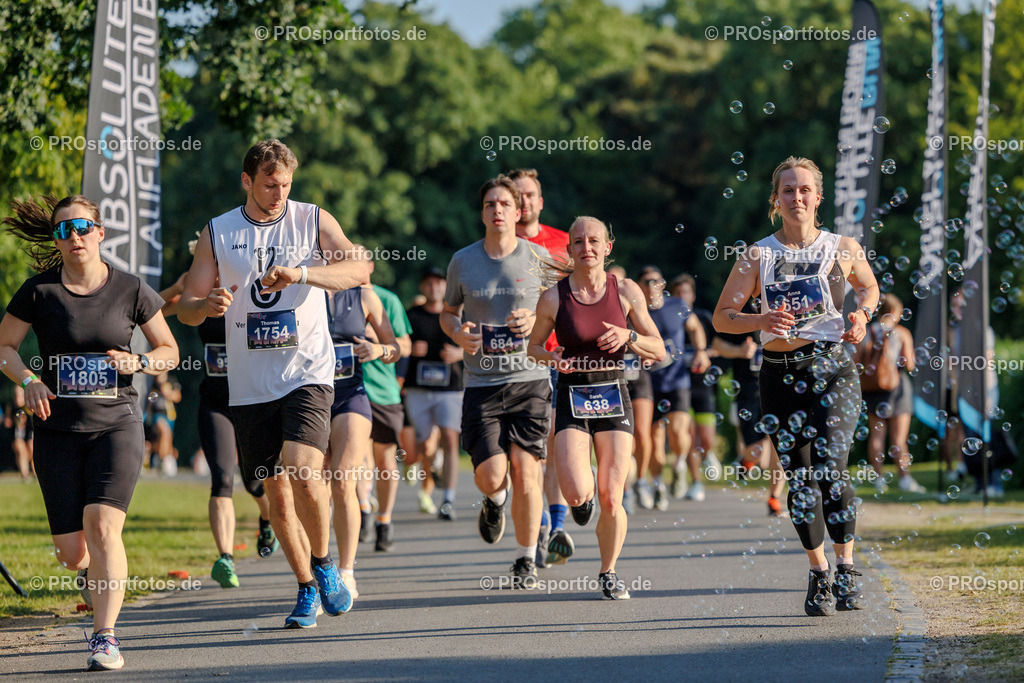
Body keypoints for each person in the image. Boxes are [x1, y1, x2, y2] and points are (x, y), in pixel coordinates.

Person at [178, 139, 369, 628]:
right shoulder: (218, 232)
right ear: (247, 181)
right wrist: (207, 307)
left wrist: (304, 272)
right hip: (248, 384)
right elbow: (186, 304)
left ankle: (326, 565)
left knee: (305, 470)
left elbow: (359, 267)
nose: (279, 192)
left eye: (285, 183)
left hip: (307, 370)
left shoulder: (311, 219)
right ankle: (305, 585)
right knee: (274, 493)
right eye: (269, 184)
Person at [0, 194, 179, 670]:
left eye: (82, 227)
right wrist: (29, 380)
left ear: (100, 232)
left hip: (116, 426)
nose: (74, 236)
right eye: (63, 230)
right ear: (56, 240)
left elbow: (169, 350)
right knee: (72, 553)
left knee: (103, 527)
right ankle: (91, 574)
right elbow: (4, 347)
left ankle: (105, 637)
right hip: (57, 431)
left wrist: (140, 361)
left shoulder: (131, 289)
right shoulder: (39, 292)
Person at [713, 156, 879, 616]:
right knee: (802, 481)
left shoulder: (843, 247)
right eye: (788, 190)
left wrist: (862, 315)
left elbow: (870, 288)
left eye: (805, 189)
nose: (797, 197)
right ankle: (819, 571)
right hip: (779, 375)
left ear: (818, 197)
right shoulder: (758, 255)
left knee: (831, 467)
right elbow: (722, 317)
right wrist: (760, 318)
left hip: (832, 369)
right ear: (776, 199)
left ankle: (847, 567)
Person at [528, 216, 665, 599]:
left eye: (594, 241)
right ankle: (581, 499)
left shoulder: (626, 291)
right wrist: (553, 359)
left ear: (608, 247)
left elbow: (660, 349)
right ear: (570, 250)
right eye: (578, 242)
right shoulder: (554, 297)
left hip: (614, 393)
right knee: (575, 493)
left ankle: (608, 571)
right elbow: (533, 347)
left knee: (612, 495)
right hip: (573, 394)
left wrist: (630, 335)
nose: (586, 248)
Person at [441, 174, 551, 585]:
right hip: (481, 382)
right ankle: (494, 499)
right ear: (482, 213)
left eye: (505, 203)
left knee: (526, 469)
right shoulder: (463, 260)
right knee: (491, 474)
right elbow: (448, 311)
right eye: (490, 204)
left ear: (518, 211)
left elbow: (559, 310)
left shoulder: (539, 258)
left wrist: (537, 318)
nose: (498, 210)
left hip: (529, 379)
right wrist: (457, 332)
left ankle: (526, 558)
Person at [160, 262, 280, 590]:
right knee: (222, 479)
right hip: (214, 401)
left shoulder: (253, 288)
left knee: (256, 483)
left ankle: (267, 518)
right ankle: (225, 558)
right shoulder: (199, 296)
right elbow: (146, 312)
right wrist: (178, 287)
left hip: (253, 402)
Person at [324, 248, 400, 599]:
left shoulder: (365, 296)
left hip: (351, 394)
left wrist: (379, 350)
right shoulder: (302, 291)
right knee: (314, 486)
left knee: (343, 478)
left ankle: (347, 570)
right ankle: (320, 568)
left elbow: (399, 344)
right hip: (309, 396)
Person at [509, 168, 573, 566]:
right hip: (506, 363)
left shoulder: (563, 244)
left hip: (553, 357)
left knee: (550, 445)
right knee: (523, 458)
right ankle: (521, 518)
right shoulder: (495, 245)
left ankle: (555, 524)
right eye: (516, 196)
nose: (524, 202)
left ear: (540, 200)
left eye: (530, 195)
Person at [637, 267, 711, 506]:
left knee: (679, 431)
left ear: (662, 284)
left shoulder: (677, 305)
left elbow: (696, 328)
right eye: (646, 281)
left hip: (677, 380)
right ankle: (657, 484)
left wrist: (700, 351)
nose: (651, 285)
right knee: (654, 438)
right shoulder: (634, 311)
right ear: (638, 285)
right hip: (649, 382)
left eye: (655, 281)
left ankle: (679, 464)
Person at [712, 299, 788, 516]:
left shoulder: (788, 303)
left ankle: (774, 499)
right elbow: (718, 344)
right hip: (749, 391)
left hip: (781, 386)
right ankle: (746, 461)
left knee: (780, 446)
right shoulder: (739, 310)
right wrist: (739, 351)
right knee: (756, 451)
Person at [358, 256, 412, 552]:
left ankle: (384, 519)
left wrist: (378, 344)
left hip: (383, 391)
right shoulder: (335, 298)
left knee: (384, 461)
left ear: (370, 266)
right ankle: (364, 507)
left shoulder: (387, 300)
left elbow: (405, 345)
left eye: (358, 260)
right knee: (355, 459)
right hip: (348, 389)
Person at [403, 267, 464, 520]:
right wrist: (409, 348)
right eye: (428, 283)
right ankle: (431, 461)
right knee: (424, 445)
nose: (434, 288)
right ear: (422, 287)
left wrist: (460, 353)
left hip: (450, 388)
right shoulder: (412, 315)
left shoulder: (458, 313)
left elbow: (479, 343)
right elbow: (398, 342)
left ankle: (448, 499)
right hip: (418, 389)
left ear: (446, 287)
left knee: (450, 439)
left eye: (439, 283)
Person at [856, 293, 924, 493]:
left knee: (876, 436)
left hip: (872, 388)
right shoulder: (901, 333)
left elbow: (857, 362)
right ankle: (905, 479)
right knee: (899, 439)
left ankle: (878, 479)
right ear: (894, 312)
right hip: (897, 389)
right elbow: (909, 364)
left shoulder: (868, 332)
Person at [671, 274, 722, 482]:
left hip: (704, 384)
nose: (682, 296)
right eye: (678, 293)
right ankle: (695, 481)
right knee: (689, 436)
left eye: (686, 292)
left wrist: (704, 354)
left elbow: (719, 348)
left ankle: (708, 454)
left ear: (693, 295)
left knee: (707, 438)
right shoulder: (668, 320)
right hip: (679, 385)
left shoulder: (703, 317)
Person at [10, 385, 35, 481]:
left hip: (29, 435)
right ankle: (25, 475)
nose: (18, 398)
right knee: (22, 452)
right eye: (16, 395)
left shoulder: (27, 407)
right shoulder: (13, 408)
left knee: (31, 451)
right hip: (18, 436)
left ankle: (35, 474)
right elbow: (15, 422)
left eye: (20, 395)